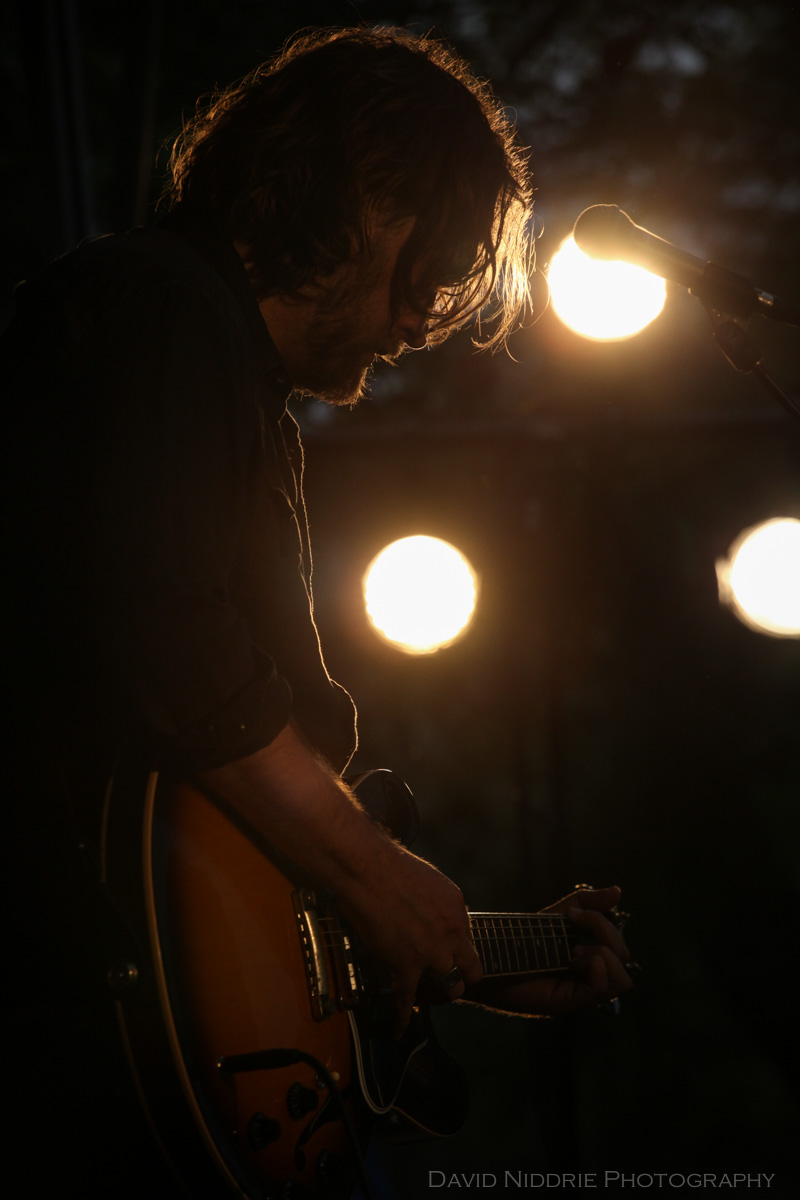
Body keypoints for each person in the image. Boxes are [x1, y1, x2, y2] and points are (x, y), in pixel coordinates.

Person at [5, 25, 631, 1197]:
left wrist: (458, 949)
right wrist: (376, 877)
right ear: (367, 193)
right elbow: (176, 649)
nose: (427, 314)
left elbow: (217, 801)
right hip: (67, 1025)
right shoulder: (159, 301)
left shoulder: (238, 390)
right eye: (435, 257)